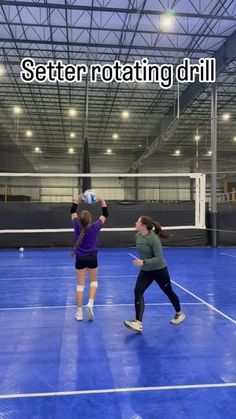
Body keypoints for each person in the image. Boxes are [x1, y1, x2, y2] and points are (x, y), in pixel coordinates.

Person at [124, 216, 185, 332]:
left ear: (143, 225)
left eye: (137, 221)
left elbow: (158, 258)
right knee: (138, 291)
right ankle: (138, 323)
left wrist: (143, 262)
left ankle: (180, 313)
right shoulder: (137, 236)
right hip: (146, 270)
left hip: (159, 270)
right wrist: (144, 263)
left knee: (168, 292)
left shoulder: (154, 239)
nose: (135, 223)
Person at [70, 193, 108, 321]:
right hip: (92, 258)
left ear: (80, 220)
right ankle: (90, 303)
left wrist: (77, 200)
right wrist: (102, 201)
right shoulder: (95, 227)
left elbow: (72, 211)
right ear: (90, 220)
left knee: (80, 286)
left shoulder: (76, 225)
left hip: (80, 259)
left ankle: (79, 313)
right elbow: (105, 214)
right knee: (94, 282)